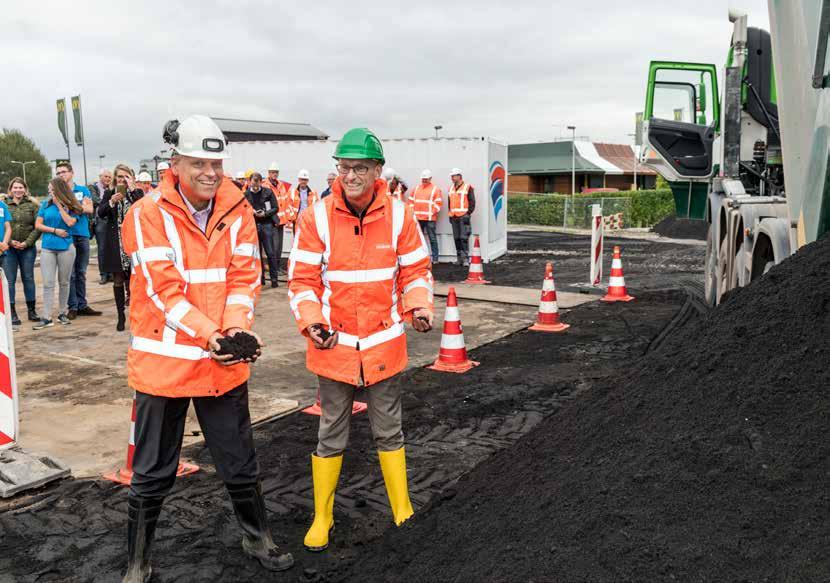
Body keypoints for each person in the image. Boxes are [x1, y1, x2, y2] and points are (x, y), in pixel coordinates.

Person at [119, 115, 293, 581]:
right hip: (165, 367)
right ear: (175, 164)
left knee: (240, 463)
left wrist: (235, 332)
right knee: (153, 472)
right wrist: (211, 336)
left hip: (221, 365)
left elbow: (243, 278)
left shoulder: (237, 210)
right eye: (199, 162)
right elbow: (162, 291)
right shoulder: (146, 215)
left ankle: (258, 538)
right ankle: (138, 563)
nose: (210, 173)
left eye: (216, 163)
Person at [288, 128, 434, 552]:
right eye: (345, 167)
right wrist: (312, 323)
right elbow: (302, 280)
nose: (350, 175)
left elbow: (416, 272)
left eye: (360, 168)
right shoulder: (315, 216)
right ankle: (323, 517)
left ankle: (401, 509)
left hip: (383, 344)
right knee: (330, 431)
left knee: (389, 430)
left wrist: (419, 307)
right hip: (334, 347)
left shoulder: (401, 216)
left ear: (377, 171)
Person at [98, 164, 144, 331]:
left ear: (131, 177)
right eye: (119, 177)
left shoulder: (137, 193)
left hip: (134, 241)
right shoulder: (110, 193)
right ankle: (120, 315)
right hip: (116, 241)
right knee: (118, 279)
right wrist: (111, 202)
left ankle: (135, 313)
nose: (122, 180)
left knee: (134, 280)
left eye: (125, 176)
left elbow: (145, 209)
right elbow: (100, 213)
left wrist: (132, 191)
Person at [33, 178, 83, 329]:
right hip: (48, 247)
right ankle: (47, 317)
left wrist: (59, 206)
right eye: (49, 190)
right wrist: (54, 230)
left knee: (64, 282)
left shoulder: (73, 206)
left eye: (52, 190)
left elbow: (70, 222)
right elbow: (38, 225)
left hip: (66, 248)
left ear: (59, 190)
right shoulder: (45, 205)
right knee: (48, 283)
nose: (50, 193)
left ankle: (62, 313)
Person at [56, 162, 102, 319]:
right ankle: (73, 306)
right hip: (66, 235)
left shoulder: (82, 190)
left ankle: (82, 305)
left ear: (71, 173)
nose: (61, 175)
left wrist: (72, 206)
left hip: (82, 234)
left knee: (81, 272)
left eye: (64, 172)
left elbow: (90, 210)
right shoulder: (56, 192)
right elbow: (59, 212)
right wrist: (79, 207)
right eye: (59, 173)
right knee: (71, 274)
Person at [4, 178, 41, 327]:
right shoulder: (4, 205)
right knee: (10, 280)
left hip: (28, 248)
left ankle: (31, 311)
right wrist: (10, 241)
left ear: (25, 189)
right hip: (9, 248)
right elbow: (2, 226)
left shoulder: (33, 205)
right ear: (10, 189)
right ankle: (12, 312)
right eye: (15, 187)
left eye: (21, 187)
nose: (18, 190)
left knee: (28, 278)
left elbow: (37, 226)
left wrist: (27, 242)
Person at [243, 172, 280, 288]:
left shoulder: (268, 192)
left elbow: (275, 208)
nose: (255, 184)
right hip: (253, 225)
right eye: (253, 181)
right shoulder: (245, 195)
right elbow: (242, 209)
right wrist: (252, 212)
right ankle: (261, 279)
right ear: (250, 181)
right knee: (256, 254)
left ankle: (274, 279)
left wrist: (265, 213)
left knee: (270, 252)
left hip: (267, 224)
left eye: (257, 182)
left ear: (260, 182)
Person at [263, 162, 293, 273]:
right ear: (269, 173)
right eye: (273, 172)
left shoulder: (280, 185)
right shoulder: (265, 185)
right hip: (272, 220)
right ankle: (274, 268)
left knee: (279, 246)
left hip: (281, 220)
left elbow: (285, 201)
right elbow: (266, 204)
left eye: (276, 172)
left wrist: (286, 217)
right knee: (274, 245)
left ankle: (279, 267)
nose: (275, 174)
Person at [409, 169, 443, 263]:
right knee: (418, 239)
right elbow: (411, 201)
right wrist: (413, 213)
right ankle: (419, 258)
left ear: (430, 179)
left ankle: (435, 259)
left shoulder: (435, 189)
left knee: (432, 238)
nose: (424, 180)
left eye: (426, 179)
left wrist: (431, 213)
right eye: (423, 179)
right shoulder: (416, 189)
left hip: (430, 219)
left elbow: (439, 204)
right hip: (418, 218)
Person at [447, 168, 476, 266]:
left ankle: (465, 259)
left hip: (463, 216)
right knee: (457, 238)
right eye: (451, 176)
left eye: (453, 176)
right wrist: (450, 214)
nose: (452, 178)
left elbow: (472, 202)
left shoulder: (467, 187)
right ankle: (459, 259)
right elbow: (450, 203)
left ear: (459, 176)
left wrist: (468, 213)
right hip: (454, 217)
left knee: (464, 238)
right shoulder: (451, 188)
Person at [89, 169, 114, 284]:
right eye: (105, 176)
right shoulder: (93, 188)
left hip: (111, 219)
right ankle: (104, 274)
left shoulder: (112, 188)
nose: (108, 179)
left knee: (112, 247)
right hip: (100, 220)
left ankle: (111, 273)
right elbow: (96, 200)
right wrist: (108, 203)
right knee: (102, 248)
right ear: (100, 177)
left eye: (109, 177)